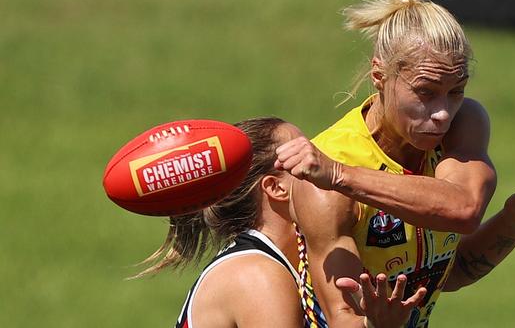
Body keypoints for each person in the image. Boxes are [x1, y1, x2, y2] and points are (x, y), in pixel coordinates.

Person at [274, 0, 515, 327]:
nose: (442, 114)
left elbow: (451, 258)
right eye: (425, 92)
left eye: (456, 92)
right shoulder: (325, 183)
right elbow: (343, 318)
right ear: (379, 75)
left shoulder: (462, 125)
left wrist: (512, 224)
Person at [136, 117, 426, 328]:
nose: (322, 163)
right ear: (276, 188)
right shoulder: (258, 276)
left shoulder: (292, 269)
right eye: (305, 158)